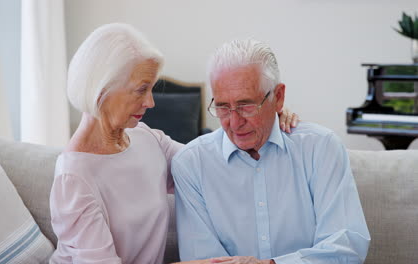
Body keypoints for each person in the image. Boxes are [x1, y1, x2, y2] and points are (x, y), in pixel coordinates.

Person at [49, 23, 298, 264]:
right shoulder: (73, 178)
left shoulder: (145, 139)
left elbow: (213, 160)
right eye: (141, 90)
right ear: (102, 89)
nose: (150, 102)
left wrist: (266, 114)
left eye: (151, 89)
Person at [172, 39, 371, 264]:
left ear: (278, 97)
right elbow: (203, 259)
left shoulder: (320, 148)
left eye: (246, 105)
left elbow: (346, 246)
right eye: (222, 107)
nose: (234, 123)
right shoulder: (191, 164)